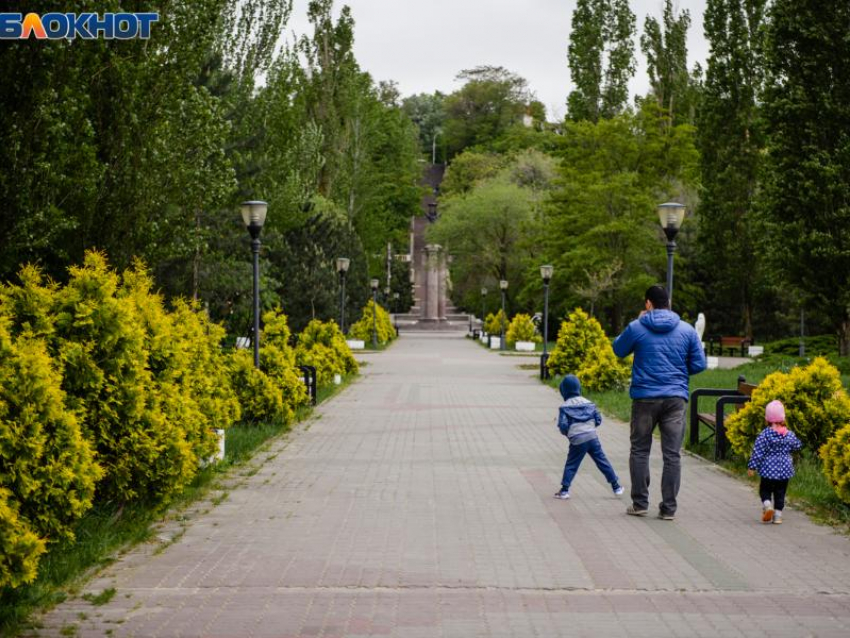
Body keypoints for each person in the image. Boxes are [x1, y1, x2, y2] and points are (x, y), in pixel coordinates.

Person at [613, 285, 706, 520]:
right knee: (672, 454)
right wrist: (677, 372)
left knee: (640, 450)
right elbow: (699, 364)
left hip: (645, 398)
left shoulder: (637, 327)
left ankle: (640, 503)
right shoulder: (686, 330)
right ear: (669, 302)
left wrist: (636, 321)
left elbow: (618, 349)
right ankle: (668, 509)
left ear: (648, 304)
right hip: (675, 399)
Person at [554, 374, 624, 500]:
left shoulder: (564, 407)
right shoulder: (589, 403)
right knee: (602, 461)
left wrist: (568, 433)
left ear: (563, 390)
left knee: (572, 464)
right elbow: (598, 419)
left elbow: (563, 425)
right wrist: (590, 427)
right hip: (592, 437)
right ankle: (616, 486)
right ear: (579, 388)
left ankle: (564, 491)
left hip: (577, 439)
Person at [747, 400, 802, 525]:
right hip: (784, 470)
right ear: (783, 418)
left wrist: (752, 467)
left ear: (767, 419)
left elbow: (758, 452)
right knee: (780, 492)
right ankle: (778, 516)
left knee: (764, 490)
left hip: (768, 469)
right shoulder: (789, 434)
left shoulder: (765, 435)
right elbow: (798, 446)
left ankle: (767, 506)